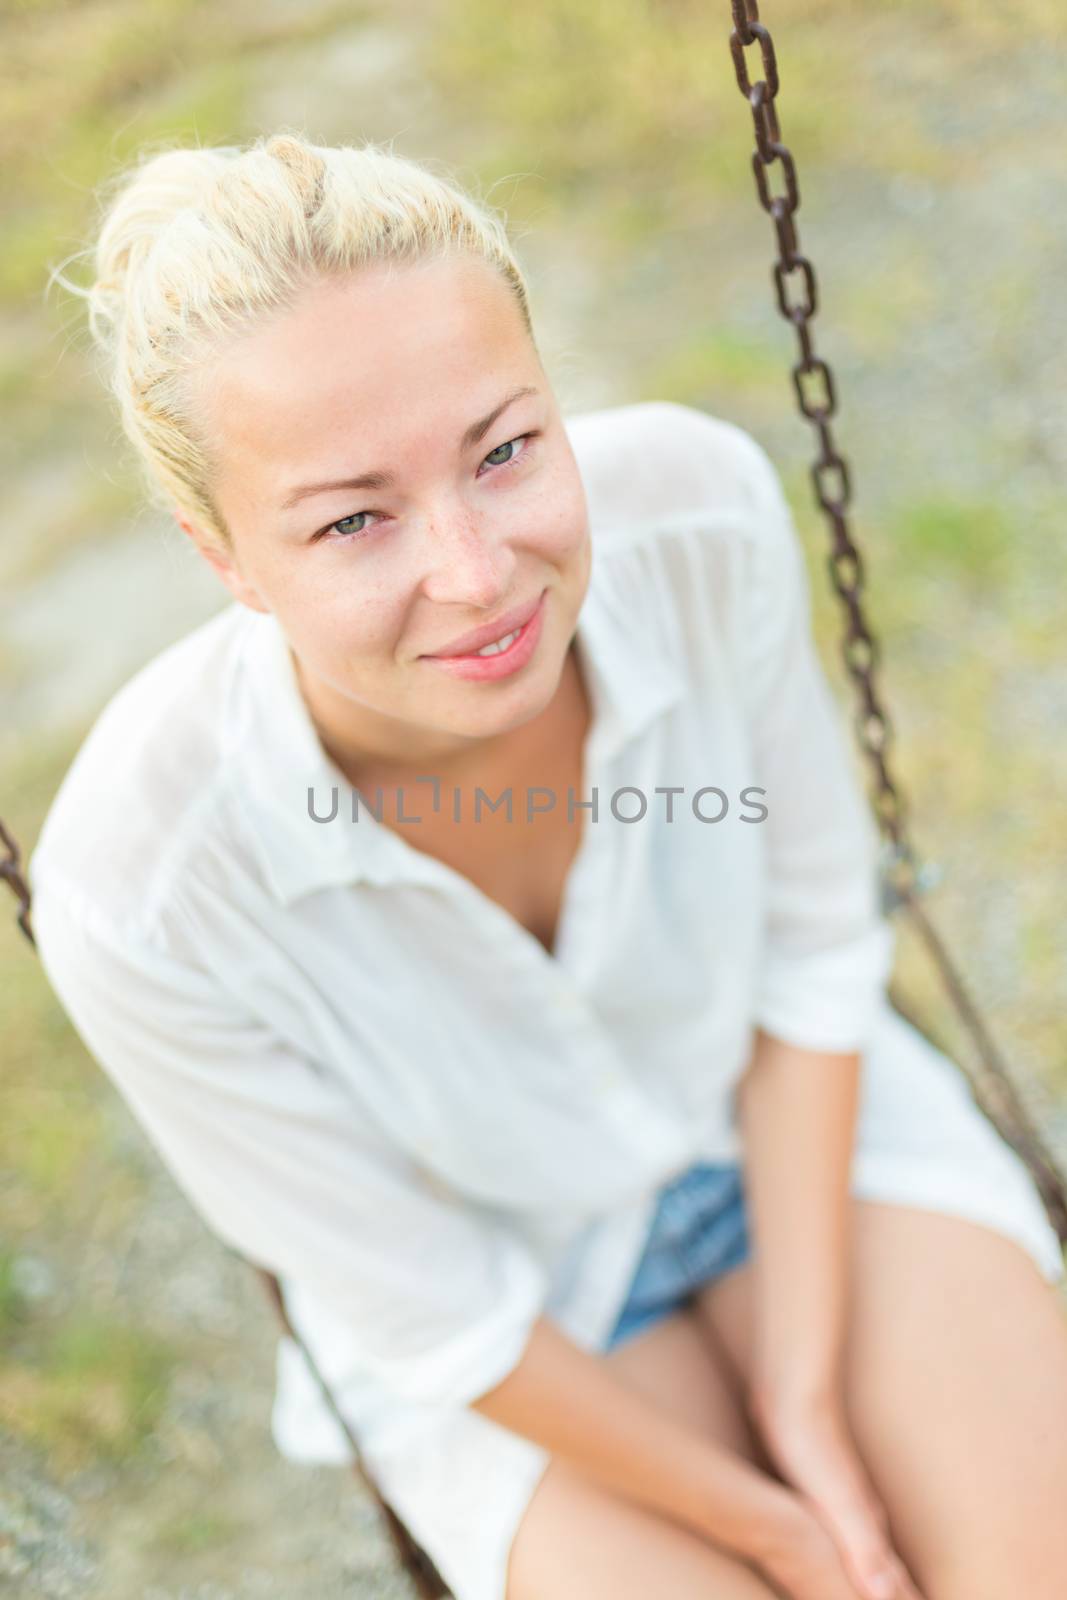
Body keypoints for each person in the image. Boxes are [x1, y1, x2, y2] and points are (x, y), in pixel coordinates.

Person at [29, 131, 1067, 1600]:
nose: (476, 571)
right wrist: (778, 1530)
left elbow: (820, 947)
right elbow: (437, 1319)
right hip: (509, 1309)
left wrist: (806, 1395)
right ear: (224, 559)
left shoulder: (698, 519)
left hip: (785, 1124)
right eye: (354, 519)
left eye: (505, 448)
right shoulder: (141, 892)